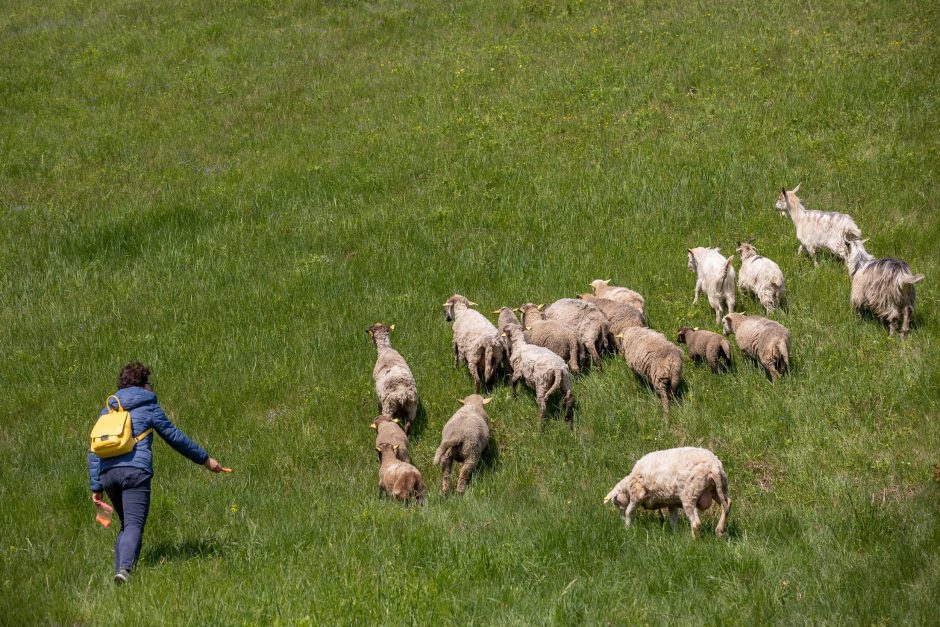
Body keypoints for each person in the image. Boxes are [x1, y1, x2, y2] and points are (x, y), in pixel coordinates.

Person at [88, 362, 226, 584]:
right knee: (133, 524)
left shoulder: (107, 410)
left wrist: (96, 487)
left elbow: (94, 451)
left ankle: (121, 573)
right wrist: (205, 459)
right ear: (143, 385)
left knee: (127, 525)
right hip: (135, 472)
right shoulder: (148, 406)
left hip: (108, 475)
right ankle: (124, 570)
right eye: (149, 383)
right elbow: (175, 437)